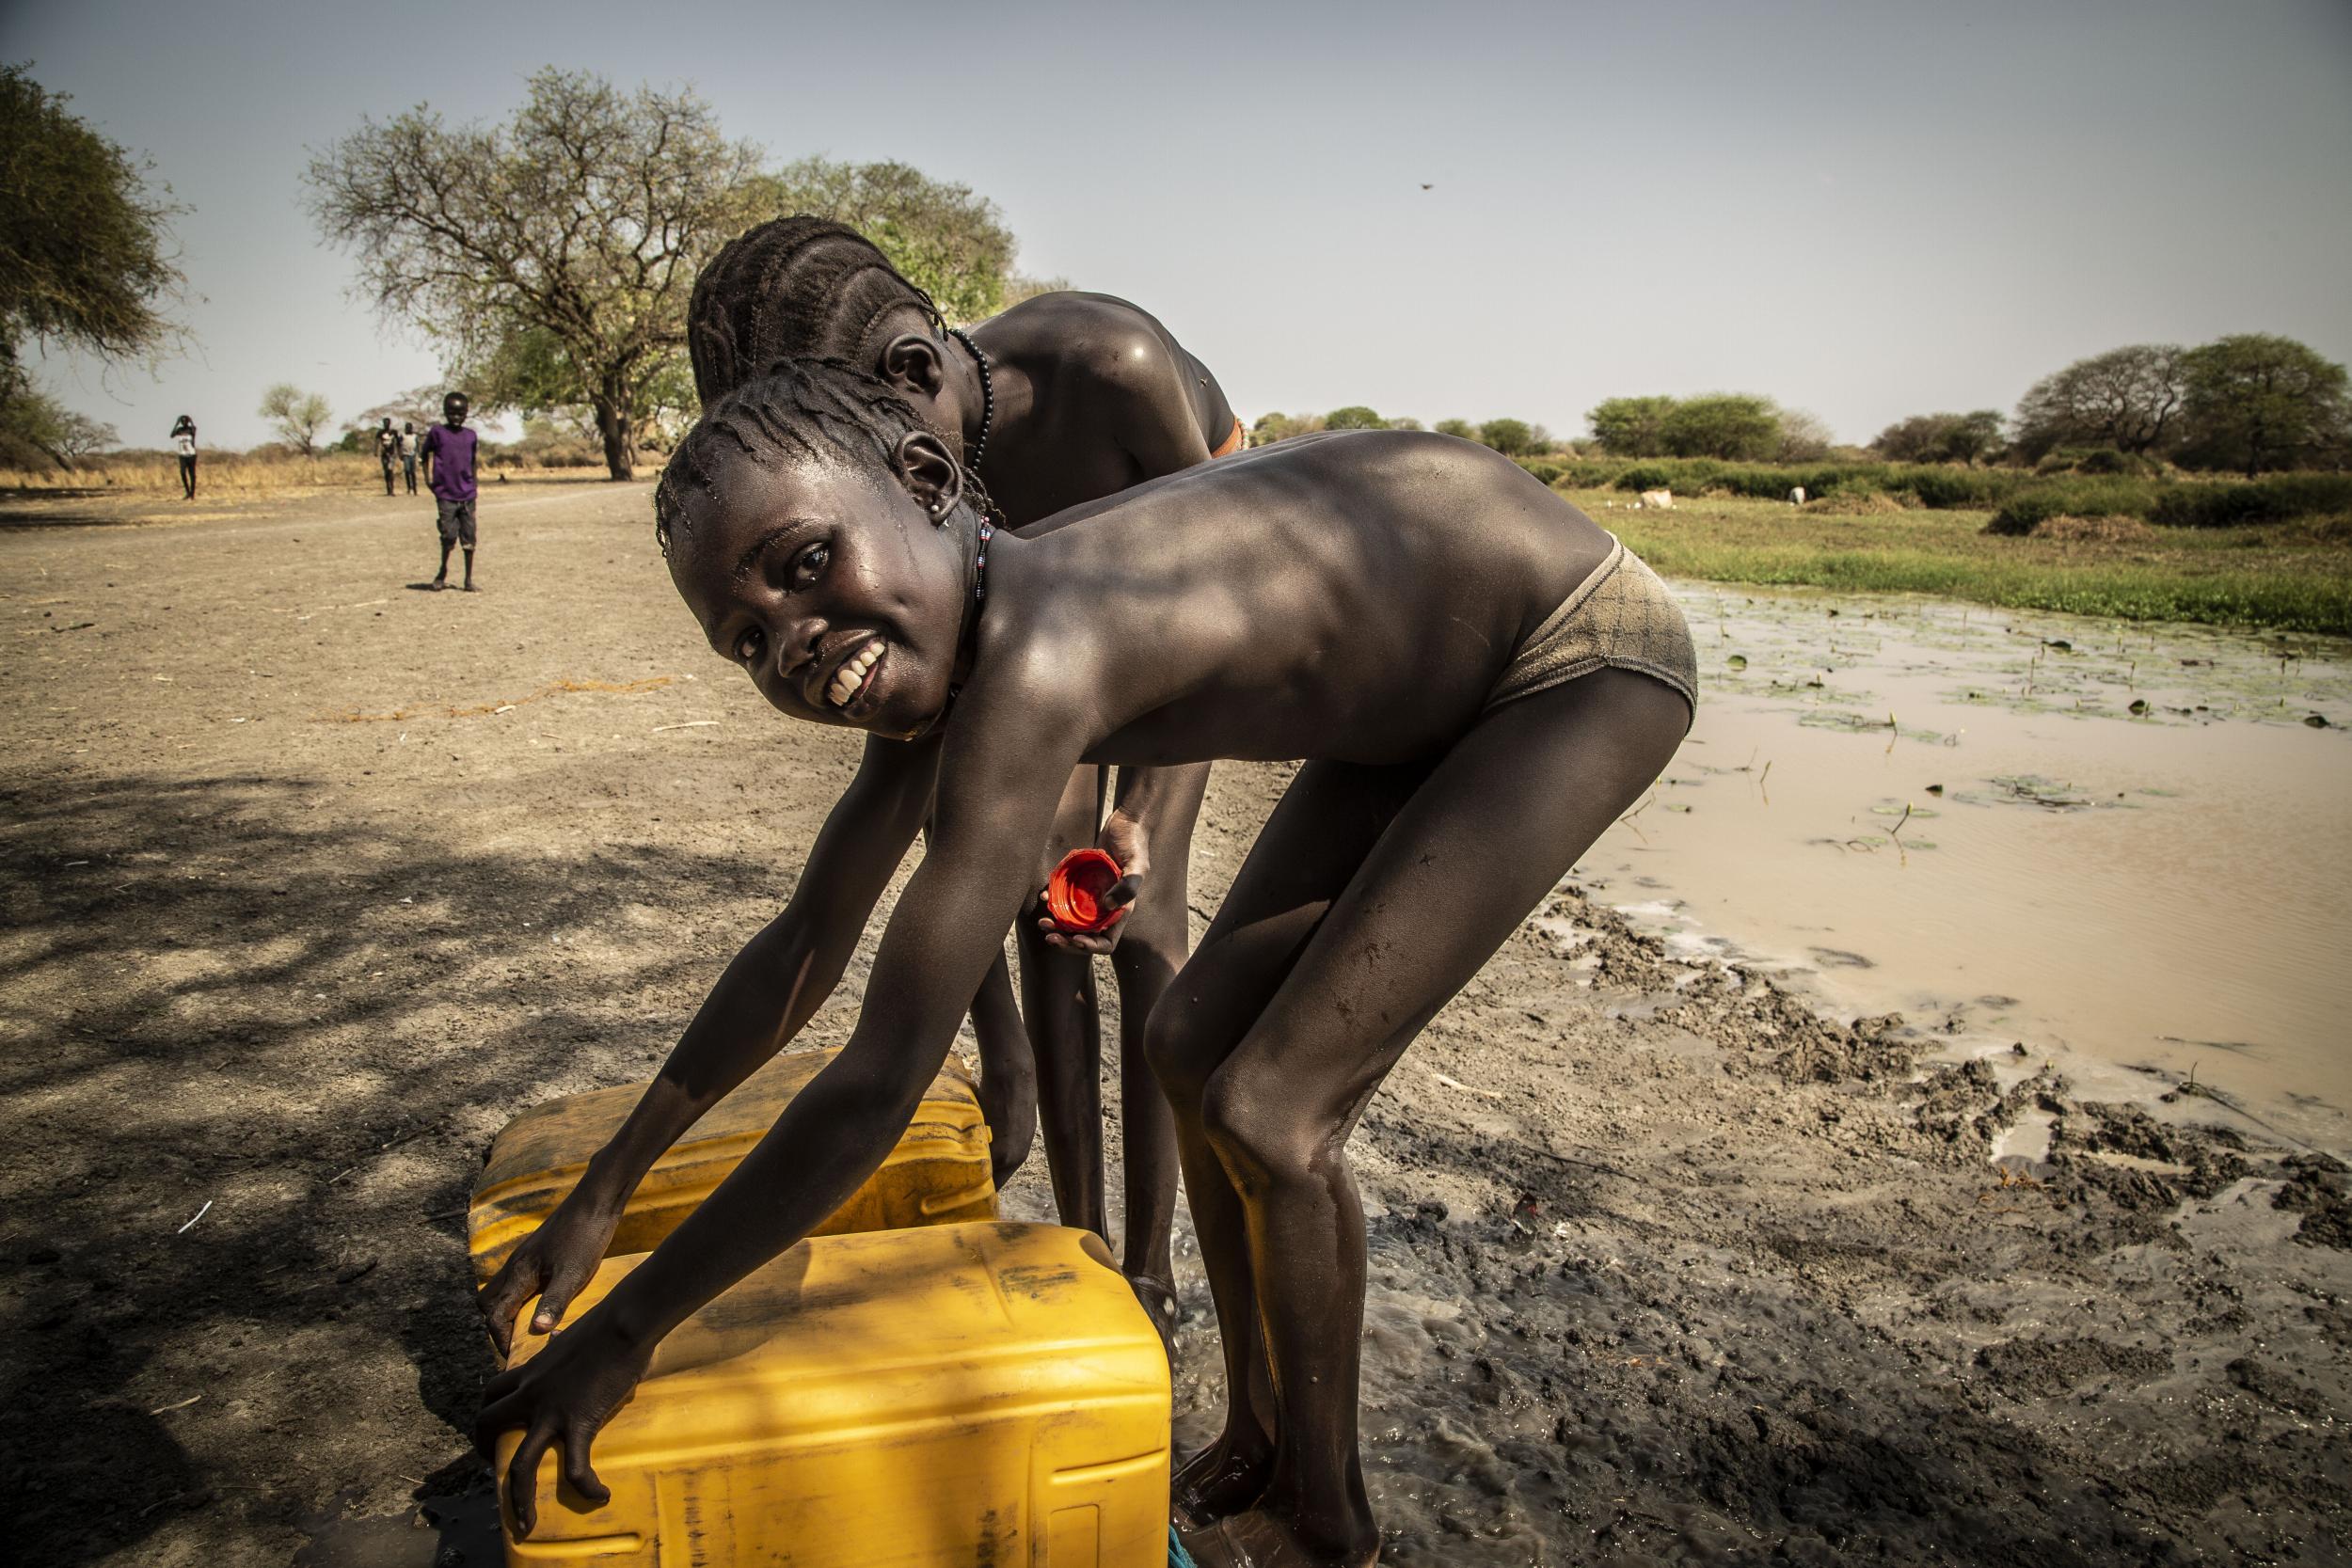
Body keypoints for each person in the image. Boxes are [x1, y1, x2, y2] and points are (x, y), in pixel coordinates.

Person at [474, 359, 1696, 1566]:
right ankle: (1260, 1436)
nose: (793, 639)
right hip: (1418, 684)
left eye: (805, 568)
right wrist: (603, 1195)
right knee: (1185, 1043)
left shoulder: (1041, 653)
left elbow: (879, 1076)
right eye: (748, 639)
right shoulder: (943, 642)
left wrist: (630, 1328)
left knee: (1272, 1110)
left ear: (926, 478)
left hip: (1572, 655)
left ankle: (1328, 1522)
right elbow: (804, 942)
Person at [478, 217, 1240, 1344]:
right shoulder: (883, 539)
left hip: (1192, 605)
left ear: (908, 399)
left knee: (1142, 922)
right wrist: (610, 1180)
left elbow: (1213, 595)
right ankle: (1084, 1249)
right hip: (1001, 610)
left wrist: (1139, 810)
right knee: (1037, 906)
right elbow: (834, 912)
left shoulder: (1105, 372)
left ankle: (1153, 1264)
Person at [419, 392, 479, 591]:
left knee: (469, 539)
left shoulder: (471, 435)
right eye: (452, 413)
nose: (456, 417)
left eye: (460, 413)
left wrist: (474, 485)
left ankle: (468, 580)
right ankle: (442, 571)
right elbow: (424, 454)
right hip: (446, 493)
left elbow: (472, 462)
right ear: (445, 412)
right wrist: (428, 480)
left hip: (467, 494)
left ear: (466, 413)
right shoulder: (437, 433)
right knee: (448, 536)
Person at [169, 415, 197, 499]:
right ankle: (188, 492)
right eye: (182, 421)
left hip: (191, 455)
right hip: (182, 455)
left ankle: (192, 493)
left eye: (185, 421)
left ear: (188, 422)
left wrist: (191, 421)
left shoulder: (192, 429)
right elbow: (171, 435)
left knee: (192, 475)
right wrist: (176, 424)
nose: (184, 422)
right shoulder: (179, 430)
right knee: (182, 472)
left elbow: (194, 432)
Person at [374, 417, 400, 497]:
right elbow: (377, 442)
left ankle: (392, 490)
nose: (386, 424)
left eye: (387, 422)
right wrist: (376, 451)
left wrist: (400, 453)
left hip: (392, 454)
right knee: (386, 472)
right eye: (385, 422)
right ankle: (388, 489)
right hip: (384, 454)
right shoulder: (380, 432)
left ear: (389, 423)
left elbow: (398, 443)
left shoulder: (394, 432)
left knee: (390, 470)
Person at [399, 421, 420, 495]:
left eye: (409, 427)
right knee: (407, 471)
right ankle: (409, 487)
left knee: (413, 472)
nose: (408, 429)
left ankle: (415, 488)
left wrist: (419, 456)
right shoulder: (402, 436)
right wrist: (400, 454)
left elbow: (418, 446)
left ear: (411, 428)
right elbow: (398, 445)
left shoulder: (415, 436)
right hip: (405, 455)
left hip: (413, 455)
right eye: (407, 427)